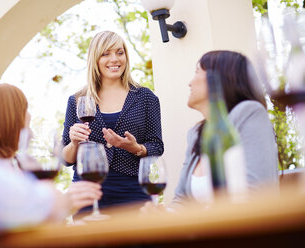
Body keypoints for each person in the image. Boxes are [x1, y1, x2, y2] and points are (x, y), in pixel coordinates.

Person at [0, 112, 102, 240]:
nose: (32, 135)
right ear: (7, 122)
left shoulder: (7, 169)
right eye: (26, 125)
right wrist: (58, 201)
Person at [62, 31, 164, 209]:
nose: (115, 59)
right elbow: (66, 159)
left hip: (133, 189)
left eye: (119, 52)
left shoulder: (145, 97)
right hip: (88, 191)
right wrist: (74, 142)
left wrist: (134, 148)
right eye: (106, 54)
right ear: (95, 59)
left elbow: (156, 146)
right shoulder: (78, 100)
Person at [172, 50, 278, 206]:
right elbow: (181, 201)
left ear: (217, 79)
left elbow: (255, 193)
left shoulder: (249, 113)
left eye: (196, 72)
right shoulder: (195, 134)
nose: (190, 82)